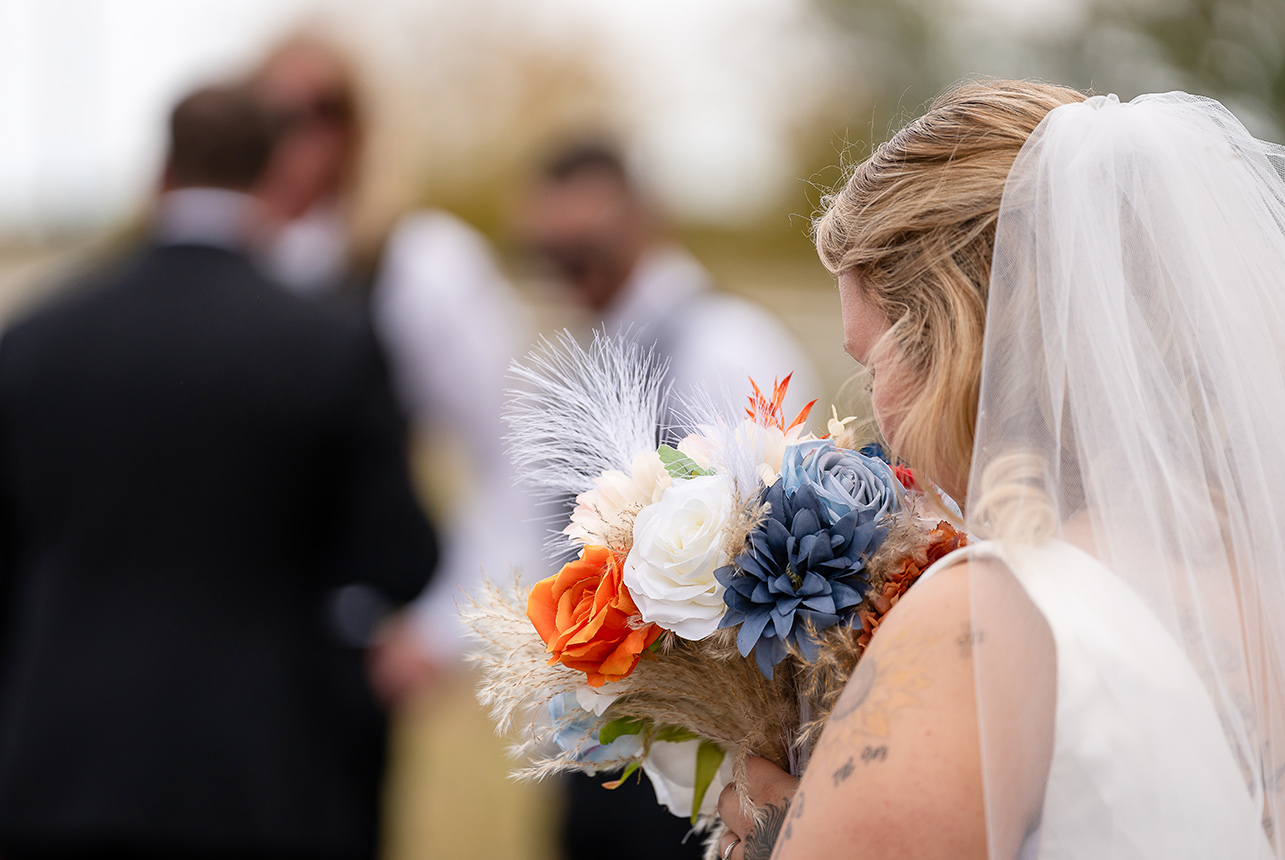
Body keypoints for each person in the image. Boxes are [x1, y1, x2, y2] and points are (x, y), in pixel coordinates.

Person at [713, 80, 1285, 860]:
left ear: (954, 344)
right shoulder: (1260, 582)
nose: (873, 409)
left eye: (871, 357)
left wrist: (774, 835)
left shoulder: (990, 617)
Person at [0, 85, 438, 860]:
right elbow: (401, 561)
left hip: (58, 767)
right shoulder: (329, 347)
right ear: (277, 179)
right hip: (262, 773)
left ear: (161, 171)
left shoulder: (33, 342)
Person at [520, 142, 820, 431]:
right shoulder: (588, 350)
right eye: (550, 250)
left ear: (635, 219)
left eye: (584, 245)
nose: (564, 268)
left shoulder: (724, 348)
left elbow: (771, 479)